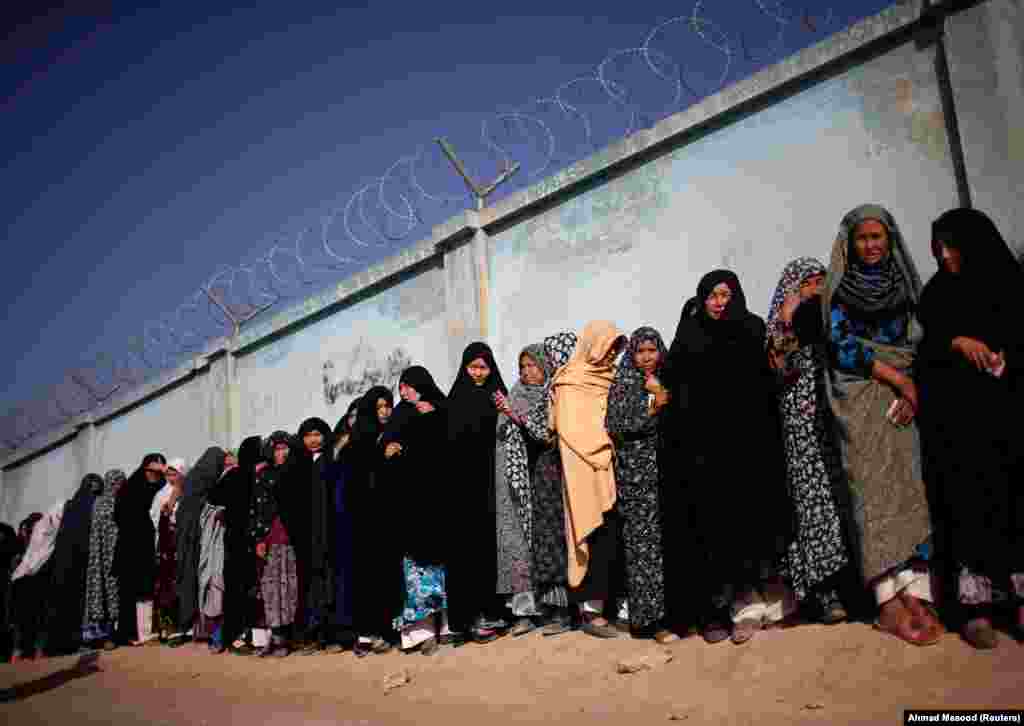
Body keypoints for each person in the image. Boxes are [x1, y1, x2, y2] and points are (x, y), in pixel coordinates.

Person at [822, 204, 941, 646]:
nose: (871, 246)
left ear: (889, 239)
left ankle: (918, 594)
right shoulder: (839, 292)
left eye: (878, 237)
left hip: (904, 396)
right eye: (862, 238)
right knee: (870, 492)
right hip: (861, 397)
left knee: (909, 488)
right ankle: (887, 601)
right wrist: (899, 381)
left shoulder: (905, 284)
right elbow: (840, 346)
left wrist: (911, 387)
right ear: (849, 245)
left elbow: (918, 340)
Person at [661, 270, 793, 645]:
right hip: (708, 452)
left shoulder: (751, 329)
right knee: (722, 530)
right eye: (712, 296)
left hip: (751, 445)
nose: (719, 302)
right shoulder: (690, 334)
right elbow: (672, 385)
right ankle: (735, 608)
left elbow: (767, 382)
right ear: (702, 299)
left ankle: (769, 604)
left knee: (757, 524)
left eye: (725, 294)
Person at [917, 207, 1024, 649]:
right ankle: (975, 608)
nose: (944, 257)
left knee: (1015, 503)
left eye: (952, 247)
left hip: (1009, 420)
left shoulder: (1012, 287)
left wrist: (1005, 360)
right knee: (968, 508)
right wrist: (954, 342)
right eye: (938, 248)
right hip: (960, 429)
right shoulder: (936, 297)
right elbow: (924, 358)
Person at [766, 259, 854, 624]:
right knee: (813, 508)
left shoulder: (834, 314)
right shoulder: (780, 325)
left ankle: (855, 588)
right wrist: (789, 316)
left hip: (836, 420)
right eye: (809, 283)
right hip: (802, 433)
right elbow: (780, 369)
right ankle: (825, 594)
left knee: (844, 502)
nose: (817, 288)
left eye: (822, 281)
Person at [549, 321, 626, 639]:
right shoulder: (569, 381)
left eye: (615, 348)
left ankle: (610, 608)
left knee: (612, 535)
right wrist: (604, 445)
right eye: (607, 346)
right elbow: (569, 426)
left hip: (610, 467)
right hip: (583, 470)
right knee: (590, 534)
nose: (611, 354)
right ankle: (590, 613)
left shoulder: (611, 379)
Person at [605, 327, 676, 642]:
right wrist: (657, 403)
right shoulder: (623, 384)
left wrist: (663, 392)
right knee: (643, 550)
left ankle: (676, 615)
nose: (647, 357)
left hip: (668, 475)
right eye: (640, 351)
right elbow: (619, 424)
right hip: (637, 480)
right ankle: (651, 621)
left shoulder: (669, 376)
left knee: (670, 545)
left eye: (652, 350)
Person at [380, 368, 451, 654]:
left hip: (439, 501)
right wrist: (390, 448)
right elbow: (386, 449)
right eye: (402, 387)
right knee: (416, 569)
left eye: (409, 386)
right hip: (409, 503)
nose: (405, 392)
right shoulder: (400, 415)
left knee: (443, 567)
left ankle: (447, 626)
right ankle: (421, 633)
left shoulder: (441, 408)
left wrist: (432, 416)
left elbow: (449, 445)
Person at [445, 342, 510, 643]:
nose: (479, 373)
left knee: (491, 550)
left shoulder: (499, 395)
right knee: (470, 552)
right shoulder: (456, 399)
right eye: (473, 367)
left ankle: (494, 613)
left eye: (484, 367)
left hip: (495, 485)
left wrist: (504, 410)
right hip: (464, 490)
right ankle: (471, 620)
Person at [524, 331, 578, 636]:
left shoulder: (568, 388)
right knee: (552, 538)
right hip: (549, 473)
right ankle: (558, 610)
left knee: (569, 536)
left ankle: (575, 609)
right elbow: (542, 431)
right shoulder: (550, 390)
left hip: (571, 470)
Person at [493, 345, 550, 636]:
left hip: (539, 481)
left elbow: (544, 434)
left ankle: (542, 608)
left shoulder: (549, 396)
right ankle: (522, 611)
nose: (527, 372)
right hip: (511, 485)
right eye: (523, 366)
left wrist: (515, 415)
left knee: (537, 545)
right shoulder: (514, 393)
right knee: (515, 546)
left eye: (533, 366)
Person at [208, 437, 264, 655]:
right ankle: (242, 635)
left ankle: (232, 636)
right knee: (249, 588)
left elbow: (213, 497)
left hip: (234, 539)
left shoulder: (234, 475)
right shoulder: (258, 475)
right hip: (253, 538)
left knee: (235, 588)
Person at [291, 417, 337, 654]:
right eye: (308, 435)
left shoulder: (332, 460)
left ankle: (331, 634)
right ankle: (311, 634)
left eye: (317, 434)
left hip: (330, 533)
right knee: (309, 585)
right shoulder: (296, 464)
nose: (313, 439)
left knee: (330, 582)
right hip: (305, 537)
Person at [173, 448, 227, 647]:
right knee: (206, 581)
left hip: (186, 541)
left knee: (194, 581)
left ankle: (195, 629)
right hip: (201, 540)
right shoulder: (207, 481)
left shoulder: (191, 480)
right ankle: (208, 632)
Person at [47, 473, 104, 654]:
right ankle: (69, 642)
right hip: (79, 562)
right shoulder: (81, 506)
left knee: (66, 602)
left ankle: (62, 644)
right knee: (74, 603)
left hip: (67, 562)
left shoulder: (68, 506)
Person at [113, 453, 166, 645]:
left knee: (144, 589)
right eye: (152, 471)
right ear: (145, 469)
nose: (156, 475)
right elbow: (120, 516)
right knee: (129, 591)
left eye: (159, 472)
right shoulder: (131, 488)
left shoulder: (157, 488)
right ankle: (129, 634)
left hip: (144, 545)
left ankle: (142, 632)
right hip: (130, 546)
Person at [10, 504, 64, 662]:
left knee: (30, 621)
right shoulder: (22, 554)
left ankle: (26, 653)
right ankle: (24, 653)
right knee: (28, 621)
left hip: (32, 587)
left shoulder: (32, 552)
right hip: (28, 588)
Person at [83, 470, 123, 650]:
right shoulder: (99, 503)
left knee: (117, 595)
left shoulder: (123, 501)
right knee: (105, 594)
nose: (119, 486)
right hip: (103, 556)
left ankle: (114, 635)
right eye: (116, 483)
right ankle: (105, 636)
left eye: (121, 482)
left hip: (118, 555)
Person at [151, 459, 187, 643]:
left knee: (180, 584)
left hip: (182, 543)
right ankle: (167, 629)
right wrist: (167, 513)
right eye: (169, 474)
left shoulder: (187, 491)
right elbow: (155, 517)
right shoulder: (161, 494)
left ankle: (182, 628)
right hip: (166, 546)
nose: (171, 477)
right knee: (166, 587)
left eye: (174, 474)